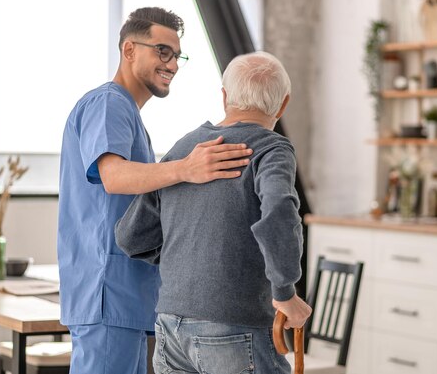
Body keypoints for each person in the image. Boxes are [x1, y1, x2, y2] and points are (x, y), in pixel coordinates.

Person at [57, 7, 252, 374]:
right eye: (163, 51)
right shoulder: (108, 103)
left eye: (177, 55)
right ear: (129, 50)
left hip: (122, 295)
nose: (173, 64)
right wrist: (186, 168)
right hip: (108, 291)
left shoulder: (126, 112)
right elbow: (113, 176)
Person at [115, 51, 312, 374]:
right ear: (283, 104)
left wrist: (188, 260)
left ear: (224, 98)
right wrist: (285, 292)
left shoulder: (186, 148)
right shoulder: (271, 148)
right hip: (234, 324)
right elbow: (279, 212)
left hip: (170, 324)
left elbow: (130, 236)